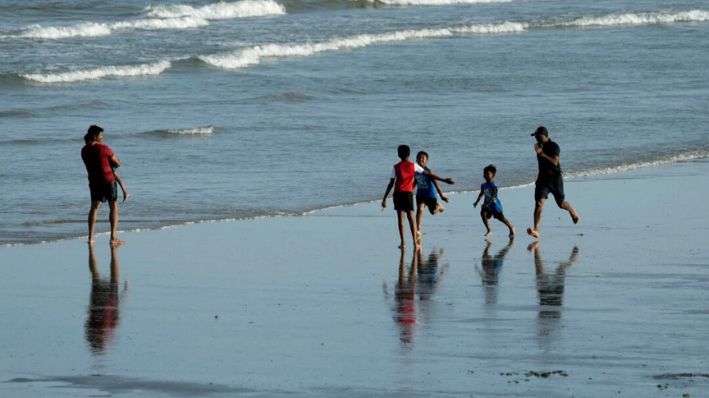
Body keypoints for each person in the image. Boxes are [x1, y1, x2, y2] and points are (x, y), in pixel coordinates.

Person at [382, 145, 454, 251]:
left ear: (398, 154)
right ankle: (415, 243)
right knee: (411, 218)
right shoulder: (414, 166)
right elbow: (428, 175)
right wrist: (444, 180)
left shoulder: (395, 167)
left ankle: (403, 243)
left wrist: (384, 198)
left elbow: (391, 184)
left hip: (398, 194)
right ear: (410, 154)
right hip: (408, 194)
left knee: (401, 220)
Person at [527, 126, 579, 238]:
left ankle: (572, 211)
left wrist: (542, 154)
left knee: (561, 204)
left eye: (538, 136)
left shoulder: (554, 146)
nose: (536, 139)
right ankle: (536, 230)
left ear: (545, 135)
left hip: (555, 179)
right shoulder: (538, 146)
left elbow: (555, 162)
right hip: (542, 179)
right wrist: (539, 152)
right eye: (535, 136)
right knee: (539, 203)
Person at [81, 125, 123, 245]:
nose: (102, 137)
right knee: (113, 206)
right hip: (108, 179)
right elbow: (117, 163)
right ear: (95, 136)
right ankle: (113, 238)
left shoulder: (84, 150)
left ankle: (90, 238)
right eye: (101, 135)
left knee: (94, 208)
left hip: (94, 181)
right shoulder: (104, 148)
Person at [473, 164, 515, 237]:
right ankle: (489, 230)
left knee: (501, 218)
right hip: (486, 204)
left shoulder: (494, 185)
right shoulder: (483, 185)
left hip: (495, 205)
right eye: (484, 173)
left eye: (488, 174)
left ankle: (511, 226)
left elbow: (493, 196)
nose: (485, 175)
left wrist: (488, 204)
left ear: (493, 175)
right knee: (483, 213)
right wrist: (477, 201)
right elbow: (481, 193)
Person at [414, 151, 449, 237]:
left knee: (433, 212)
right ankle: (418, 229)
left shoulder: (429, 171)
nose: (420, 159)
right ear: (416, 159)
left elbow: (436, 184)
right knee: (420, 209)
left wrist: (441, 195)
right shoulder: (415, 171)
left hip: (430, 194)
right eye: (419, 158)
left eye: (423, 158)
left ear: (426, 160)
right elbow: (415, 182)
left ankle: (439, 206)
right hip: (420, 194)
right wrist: (409, 191)